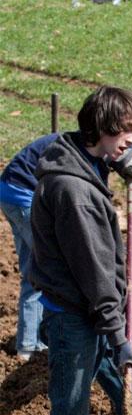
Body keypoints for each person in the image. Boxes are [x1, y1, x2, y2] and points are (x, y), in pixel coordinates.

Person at [30, 86, 132, 415]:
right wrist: (119, 339)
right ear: (101, 126)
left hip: (103, 315)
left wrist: (112, 164)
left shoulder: (83, 159)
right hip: (75, 321)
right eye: (126, 130)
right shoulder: (74, 194)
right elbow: (95, 271)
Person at [1, 135, 58, 361]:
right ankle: (38, 343)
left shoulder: (76, 143)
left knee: (33, 272)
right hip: (24, 196)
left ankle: (27, 346)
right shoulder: (81, 150)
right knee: (48, 271)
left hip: (8, 193)